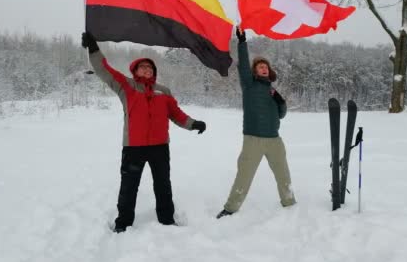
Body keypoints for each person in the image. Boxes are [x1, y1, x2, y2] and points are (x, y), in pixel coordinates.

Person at [81, 31, 207, 232]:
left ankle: (167, 219)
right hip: (134, 148)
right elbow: (104, 70)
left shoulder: (163, 91)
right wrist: (94, 49)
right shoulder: (127, 87)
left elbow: (176, 114)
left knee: (163, 185)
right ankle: (123, 223)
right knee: (129, 187)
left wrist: (193, 124)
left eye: (150, 67)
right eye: (143, 66)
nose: (147, 69)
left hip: (160, 147)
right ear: (135, 70)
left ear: (154, 71)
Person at [217, 27, 296, 219]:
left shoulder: (272, 91)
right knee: (244, 175)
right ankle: (231, 208)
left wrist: (281, 102)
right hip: (253, 139)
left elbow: (281, 115)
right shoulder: (249, 85)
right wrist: (242, 41)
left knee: (283, 174)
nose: (264, 68)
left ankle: (289, 202)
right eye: (260, 66)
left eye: (266, 67)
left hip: (274, 140)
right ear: (254, 71)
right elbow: (243, 65)